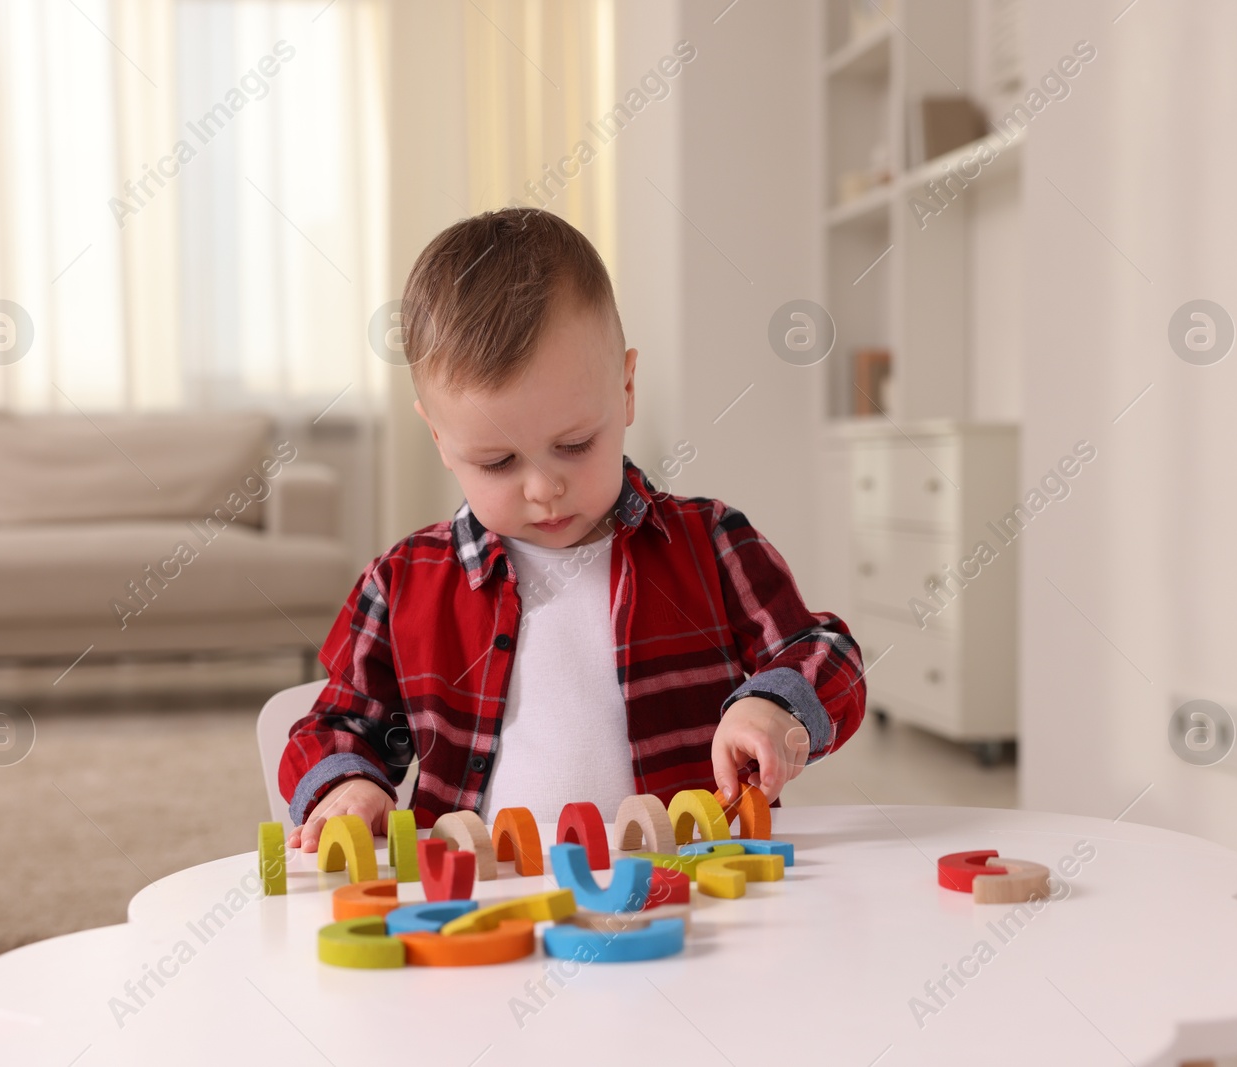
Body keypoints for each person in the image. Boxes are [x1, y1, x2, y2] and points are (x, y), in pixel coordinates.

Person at [282, 207, 864, 849]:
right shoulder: (402, 585)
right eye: (497, 461)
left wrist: (776, 709)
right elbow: (337, 724)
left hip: (694, 888)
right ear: (439, 439)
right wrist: (347, 784)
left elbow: (826, 652)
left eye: (576, 444)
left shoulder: (711, 542)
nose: (543, 488)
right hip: (481, 902)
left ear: (626, 389)